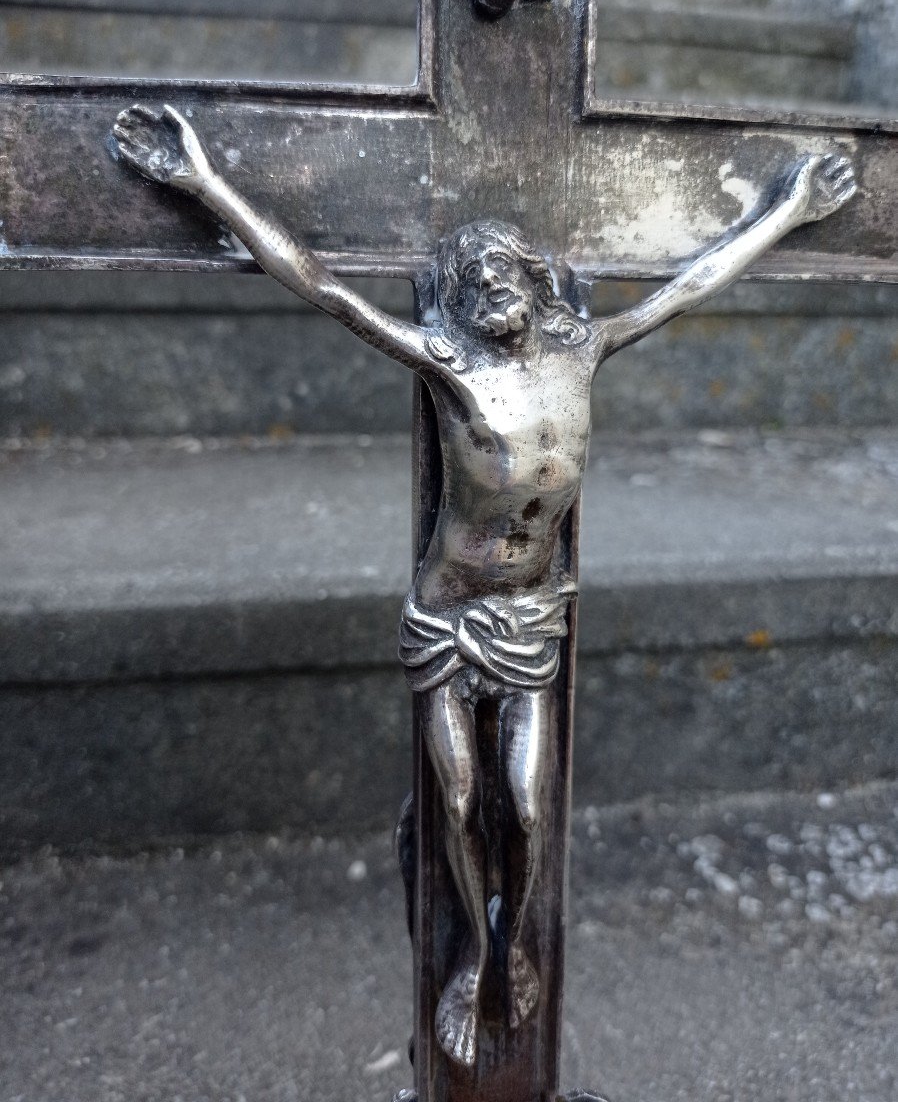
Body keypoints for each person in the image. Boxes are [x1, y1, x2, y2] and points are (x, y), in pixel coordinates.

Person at [111, 104, 856, 1067]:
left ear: (531, 284)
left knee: (531, 803)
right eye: (476, 282)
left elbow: (688, 285)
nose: (492, 292)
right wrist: (206, 183)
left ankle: (508, 933)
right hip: (449, 611)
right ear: (459, 299)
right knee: (457, 799)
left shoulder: (580, 350)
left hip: (532, 614)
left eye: (505, 277)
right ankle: (472, 951)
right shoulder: (449, 364)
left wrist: (789, 211)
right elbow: (326, 287)